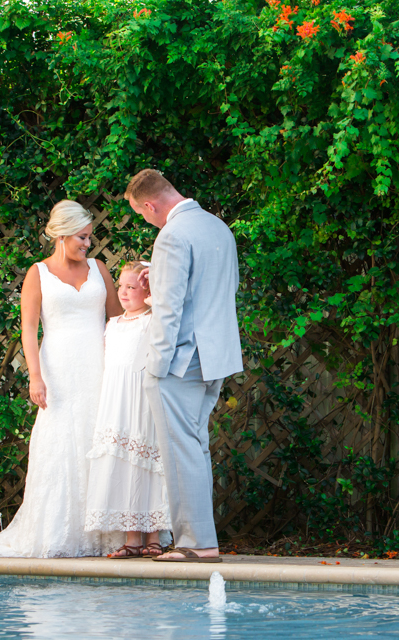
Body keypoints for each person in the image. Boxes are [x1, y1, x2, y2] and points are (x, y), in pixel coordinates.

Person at [0, 200, 123, 558]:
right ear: (62, 236)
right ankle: (57, 531)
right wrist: (35, 376)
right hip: (59, 368)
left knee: (101, 439)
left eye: (89, 237)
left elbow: (118, 318)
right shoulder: (39, 273)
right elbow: (28, 329)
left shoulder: (99, 269)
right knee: (60, 442)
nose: (87, 244)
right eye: (81, 237)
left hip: (100, 366)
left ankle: (104, 533)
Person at [124, 169, 243, 563]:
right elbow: (215, 290)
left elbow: (169, 311)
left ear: (149, 204)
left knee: (180, 451)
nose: (147, 221)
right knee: (194, 447)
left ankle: (195, 543)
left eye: (143, 215)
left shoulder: (172, 235)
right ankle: (200, 539)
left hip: (180, 360)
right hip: (215, 356)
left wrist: (154, 365)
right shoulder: (218, 227)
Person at [84, 261, 172, 558]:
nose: (123, 292)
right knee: (125, 465)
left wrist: (154, 293)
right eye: (121, 286)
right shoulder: (112, 325)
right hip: (117, 401)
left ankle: (154, 535)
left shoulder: (152, 320)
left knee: (147, 464)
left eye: (132, 287)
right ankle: (132, 536)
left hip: (143, 403)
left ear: (147, 291)